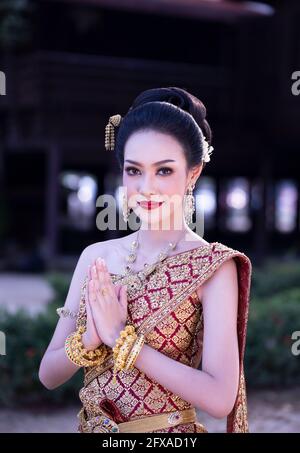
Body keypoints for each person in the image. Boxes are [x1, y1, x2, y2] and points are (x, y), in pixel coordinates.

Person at [39, 87, 252, 433]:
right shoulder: (97, 257)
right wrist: (90, 340)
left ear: (193, 173)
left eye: (164, 171)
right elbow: (48, 375)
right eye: (134, 171)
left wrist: (122, 339)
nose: (146, 187)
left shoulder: (213, 266)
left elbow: (219, 398)